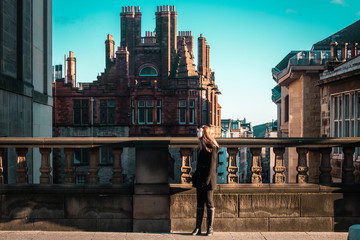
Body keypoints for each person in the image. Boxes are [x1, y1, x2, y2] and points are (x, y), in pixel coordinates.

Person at [191, 125, 219, 236]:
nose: (197, 132)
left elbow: (212, 166)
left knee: (209, 202)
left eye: (200, 131)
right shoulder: (201, 146)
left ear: (205, 133)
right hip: (200, 178)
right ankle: (198, 228)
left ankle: (210, 228)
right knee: (199, 203)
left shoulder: (212, 146)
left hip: (208, 180)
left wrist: (206, 181)